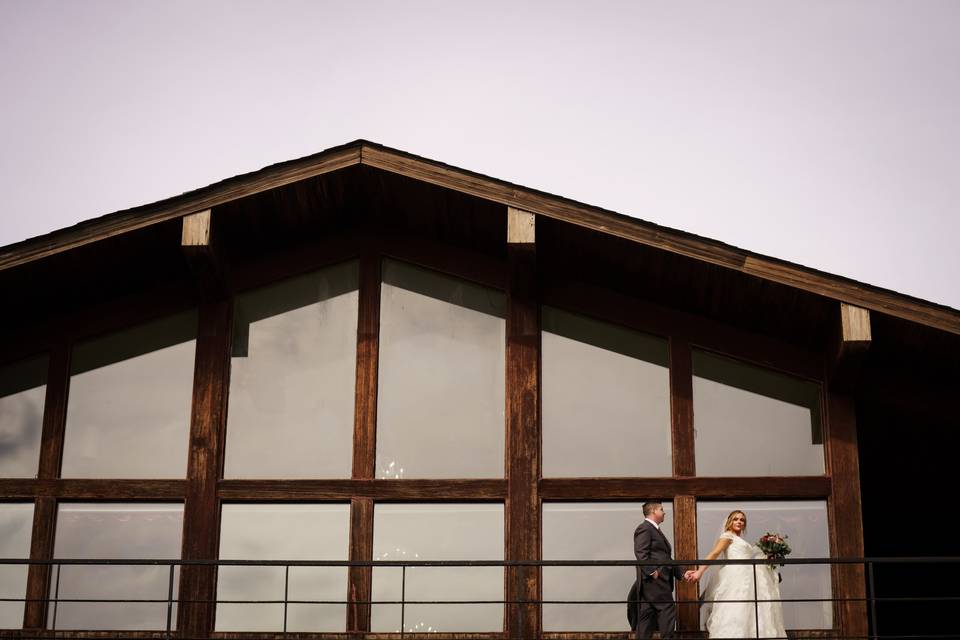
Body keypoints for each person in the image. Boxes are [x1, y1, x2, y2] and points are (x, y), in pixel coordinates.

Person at [684, 510, 786, 639]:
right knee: (735, 610)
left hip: (749, 580)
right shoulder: (727, 536)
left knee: (752, 611)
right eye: (735, 519)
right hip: (735, 578)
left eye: (742, 520)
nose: (739, 522)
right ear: (729, 522)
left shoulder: (740, 539)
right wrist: (699, 572)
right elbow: (714, 553)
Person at [633, 501, 687, 639]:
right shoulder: (645, 528)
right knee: (667, 609)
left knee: (647, 614)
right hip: (655, 580)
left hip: (652, 582)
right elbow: (641, 553)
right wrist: (652, 571)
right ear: (653, 512)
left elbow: (666, 557)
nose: (664, 512)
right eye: (662, 509)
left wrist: (682, 573)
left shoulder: (654, 530)